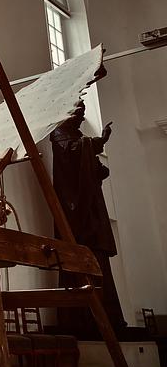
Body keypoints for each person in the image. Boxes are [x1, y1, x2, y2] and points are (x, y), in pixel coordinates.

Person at [50, 101, 127, 336]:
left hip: (91, 210)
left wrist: (96, 163)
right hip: (76, 213)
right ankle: (82, 319)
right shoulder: (60, 133)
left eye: (84, 113)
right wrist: (98, 142)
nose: (82, 118)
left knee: (100, 264)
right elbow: (73, 154)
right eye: (79, 113)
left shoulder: (78, 137)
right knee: (79, 261)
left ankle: (108, 316)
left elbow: (92, 166)